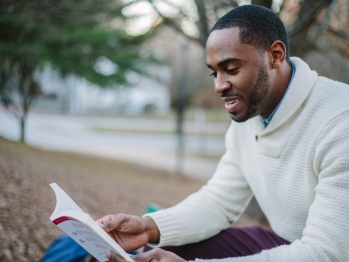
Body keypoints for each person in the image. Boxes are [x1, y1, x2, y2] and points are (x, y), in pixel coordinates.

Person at [97, 5, 349, 262]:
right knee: (160, 251)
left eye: (231, 69)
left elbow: (327, 253)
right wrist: (148, 226)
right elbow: (219, 201)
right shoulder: (250, 116)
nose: (219, 86)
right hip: (289, 242)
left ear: (275, 55)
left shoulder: (340, 123)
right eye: (214, 72)